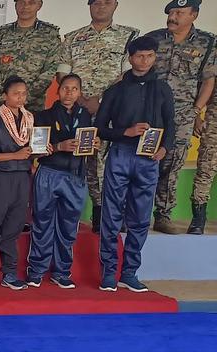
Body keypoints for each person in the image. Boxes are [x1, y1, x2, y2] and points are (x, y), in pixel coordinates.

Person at [96, 36, 174, 292]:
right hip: (120, 154)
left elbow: (171, 126)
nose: (144, 61)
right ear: (130, 58)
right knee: (111, 215)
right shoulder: (115, 90)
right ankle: (109, 272)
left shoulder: (162, 89)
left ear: (155, 57)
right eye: (139, 56)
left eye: (149, 56)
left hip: (149, 159)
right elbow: (99, 129)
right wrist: (125, 132)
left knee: (140, 219)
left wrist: (164, 148)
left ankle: (129, 272)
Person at [63, 0, 139, 233]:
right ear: (89, 6)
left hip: (113, 113)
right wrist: (82, 101)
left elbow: (129, 74)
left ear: (115, 5)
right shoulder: (72, 38)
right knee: (85, 162)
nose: (101, 6)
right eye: (96, 2)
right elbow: (62, 73)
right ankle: (96, 213)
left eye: (107, 2)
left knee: (111, 164)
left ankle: (114, 213)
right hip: (78, 111)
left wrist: (101, 101)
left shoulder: (129, 37)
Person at [146, 0, 216, 234]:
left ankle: (163, 215)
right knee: (144, 161)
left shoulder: (207, 42)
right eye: (171, 12)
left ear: (193, 15)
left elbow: (208, 80)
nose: (173, 16)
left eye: (179, 12)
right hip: (150, 113)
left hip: (182, 114)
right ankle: (136, 214)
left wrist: (196, 111)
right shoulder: (152, 38)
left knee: (172, 163)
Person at [28, 74, 92, 289]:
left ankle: (62, 271)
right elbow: (36, 149)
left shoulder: (85, 117)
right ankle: (36, 270)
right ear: (57, 90)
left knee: (68, 227)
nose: (69, 93)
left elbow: (88, 143)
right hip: (49, 172)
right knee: (42, 223)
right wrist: (58, 147)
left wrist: (95, 144)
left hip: (75, 175)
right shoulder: (44, 116)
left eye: (74, 89)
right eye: (65, 88)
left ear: (80, 92)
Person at [0, 76, 35, 291]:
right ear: (5, 96)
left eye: (23, 93)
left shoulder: (30, 119)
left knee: (14, 227)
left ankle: (9, 273)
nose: (20, 97)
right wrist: (16, 156)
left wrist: (42, 149)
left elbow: (30, 150)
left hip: (22, 178)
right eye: (15, 93)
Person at [0, 0, 68, 114]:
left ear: (39, 5)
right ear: (15, 5)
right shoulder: (0, 34)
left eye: (31, 2)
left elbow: (50, 70)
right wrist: (3, 97)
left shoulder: (50, 34)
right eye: (21, 2)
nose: (25, 6)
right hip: (0, 107)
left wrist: (24, 98)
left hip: (32, 108)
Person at [192, 94, 215, 233]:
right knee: (205, 171)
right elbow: (200, 90)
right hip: (213, 127)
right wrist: (196, 118)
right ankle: (198, 220)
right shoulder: (212, 71)